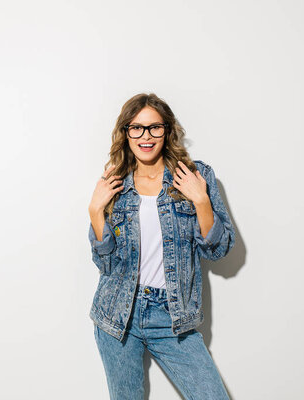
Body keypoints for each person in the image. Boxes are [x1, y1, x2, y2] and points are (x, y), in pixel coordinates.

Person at [87, 93, 235, 400]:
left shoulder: (195, 176)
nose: (146, 136)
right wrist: (95, 211)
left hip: (173, 317)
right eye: (136, 128)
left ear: (166, 131)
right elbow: (107, 265)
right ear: (125, 133)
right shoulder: (115, 182)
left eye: (154, 127)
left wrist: (201, 200)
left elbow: (218, 250)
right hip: (117, 317)